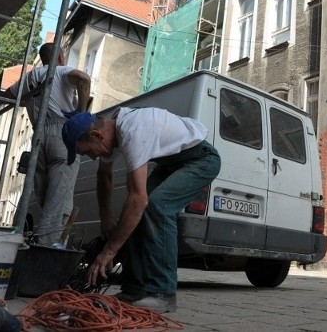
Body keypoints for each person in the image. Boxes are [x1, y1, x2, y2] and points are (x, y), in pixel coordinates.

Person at [61, 107, 221, 313]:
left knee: (157, 206)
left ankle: (163, 293)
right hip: (171, 165)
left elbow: (139, 199)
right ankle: (134, 290)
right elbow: (104, 177)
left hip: (201, 160)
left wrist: (109, 251)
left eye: (88, 151)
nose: (91, 157)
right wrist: (106, 218)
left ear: (96, 135)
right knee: (134, 214)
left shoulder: (132, 132)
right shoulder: (111, 132)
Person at [5, 42, 91, 245]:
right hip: (63, 133)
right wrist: (81, 113)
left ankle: (26, 242)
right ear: (61, 57)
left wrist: (27, 97)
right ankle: (46, 250)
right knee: (57, 201)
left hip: (38, 136)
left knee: (44, 199)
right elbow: (84, 79)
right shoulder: (61, 70)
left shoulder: (29, 78)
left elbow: (7, 95)